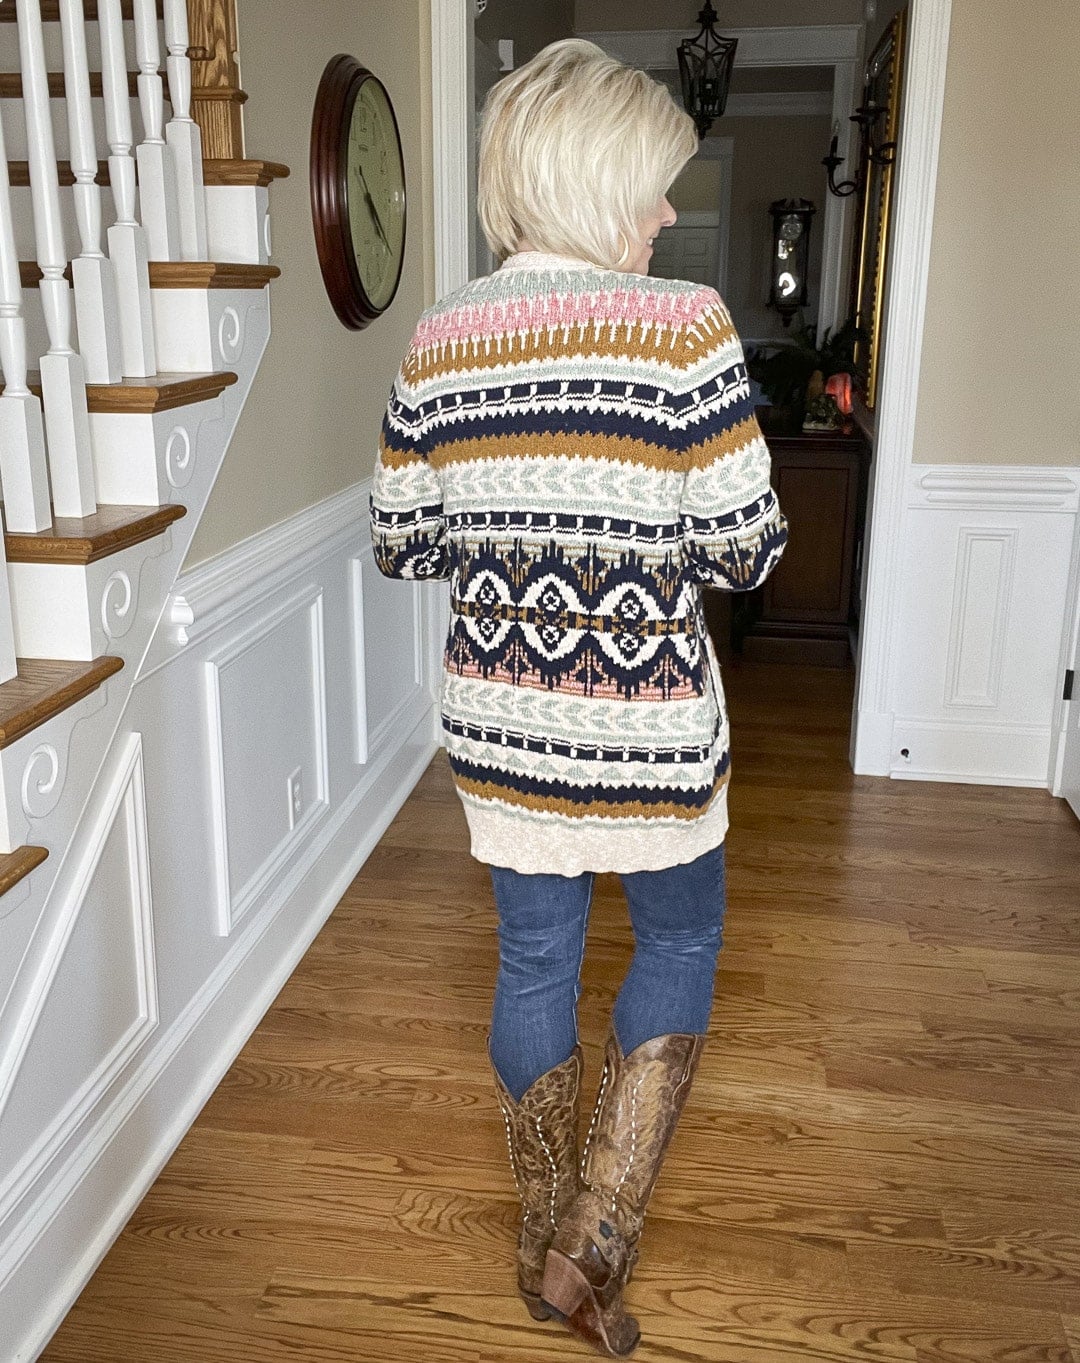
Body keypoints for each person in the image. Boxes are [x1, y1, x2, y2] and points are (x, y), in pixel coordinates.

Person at [370, 38, 788, 1359]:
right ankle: (597, 1236)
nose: (669, 214)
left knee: (535, 958)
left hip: (503, 729)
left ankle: (540, 1215)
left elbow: (401, 540)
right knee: (674, 944)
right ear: (598, 178)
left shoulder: (441, 335)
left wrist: (511, 543)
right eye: (656, 187)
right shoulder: (686, 329)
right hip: (651, 731)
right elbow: (747, 548)